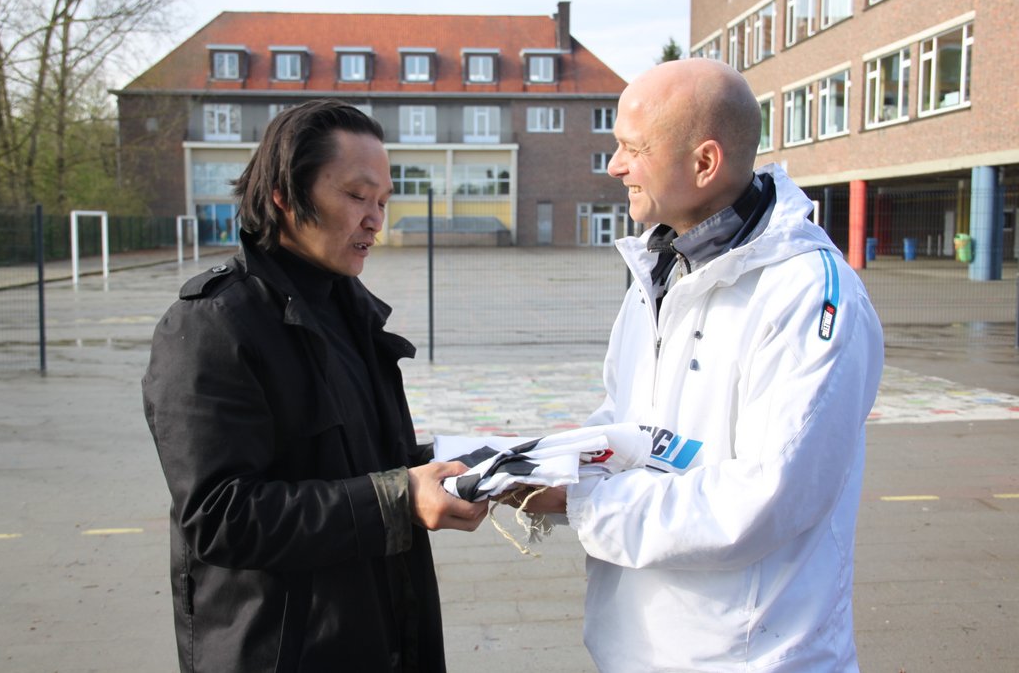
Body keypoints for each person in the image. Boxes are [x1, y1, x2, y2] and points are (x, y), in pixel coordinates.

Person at [508, 59, 884, 671]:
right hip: (640, 647)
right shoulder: (659, 273)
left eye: (631, 147)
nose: (614, 166)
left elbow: (766, 497)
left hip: (748, 658)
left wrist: (579, 502)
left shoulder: (807, 294)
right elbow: (627, 423)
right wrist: (539, 461)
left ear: (704, 163)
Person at [142, 100, 488, 672]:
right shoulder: (211, 325)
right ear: (285, 193)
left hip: (383, 634)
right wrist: (400, 498)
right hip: (282, 650)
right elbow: (221, 514)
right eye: (356, 196)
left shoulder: (351, 316)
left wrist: (473, 467)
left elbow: (369, 463)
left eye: (382, 201)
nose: (375, 219)